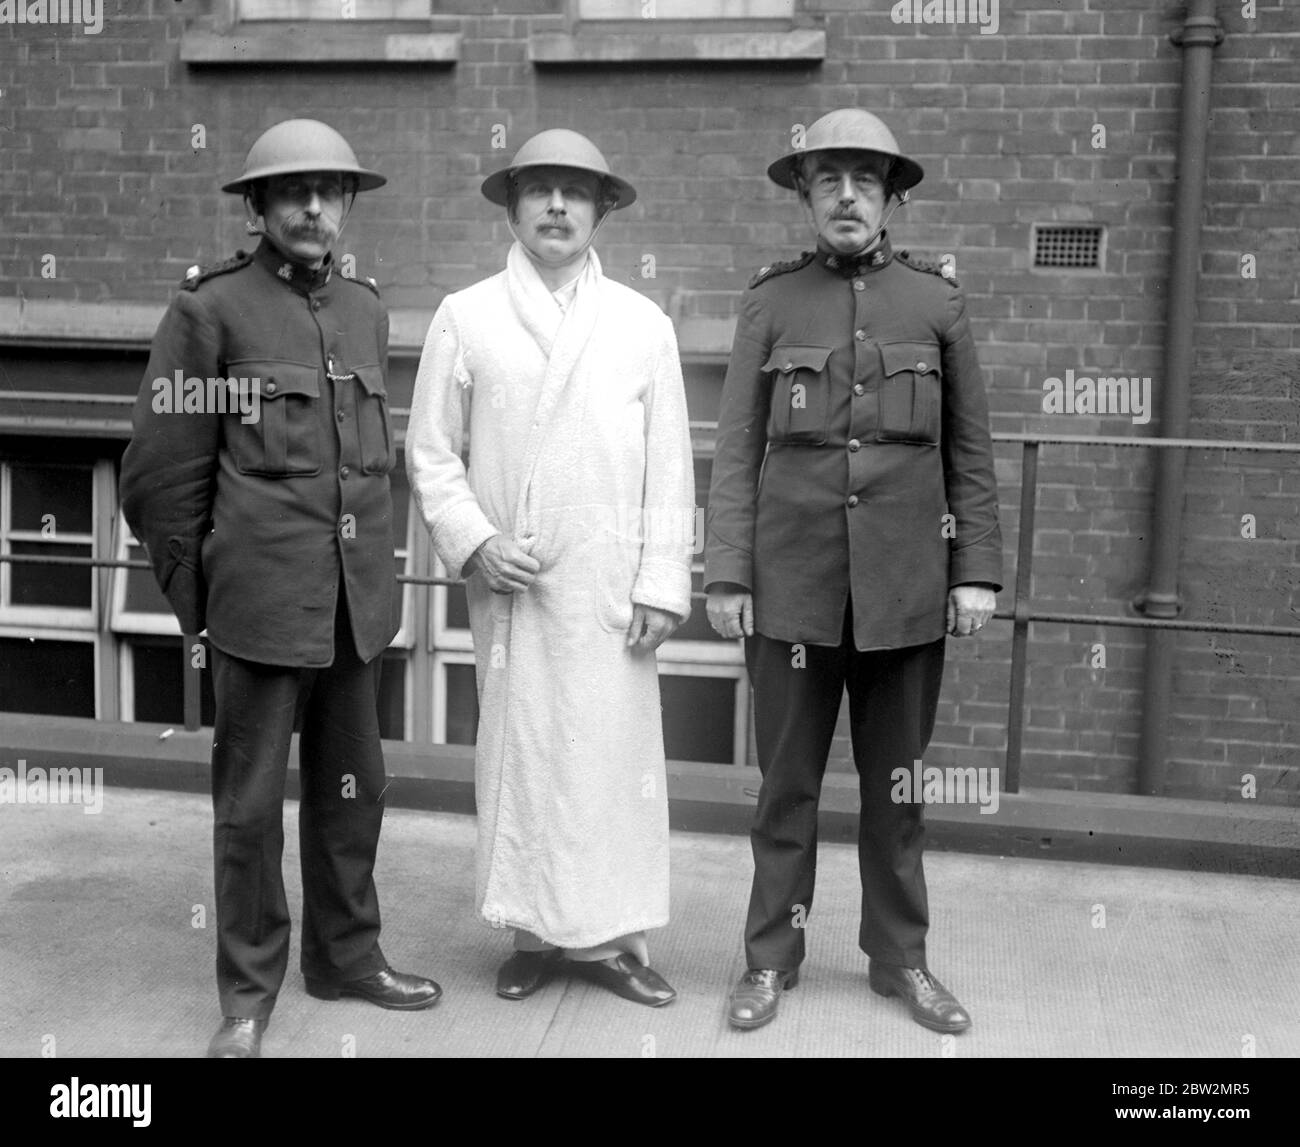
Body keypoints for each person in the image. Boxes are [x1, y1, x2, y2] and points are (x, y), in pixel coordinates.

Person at [120, 119, 441, 1059]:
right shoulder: (210, 314)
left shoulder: (368, 312)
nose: (312, 209)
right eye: (292, 193)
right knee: (250, 809)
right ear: (257, 207)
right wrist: (202, 603)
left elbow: (370, 467)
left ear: (346, 207)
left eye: (329, 192)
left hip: (352, 605)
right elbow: (161, 477)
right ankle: (249, 993)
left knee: (356, 789)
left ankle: (347, 955)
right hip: (257, 607)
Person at [705, 108, 1003, 1033]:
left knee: (899, 793)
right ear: (804, 194)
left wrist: (975, 572)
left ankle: (900, 959)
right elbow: (736, 450)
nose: (846, 196)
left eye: (865, 181)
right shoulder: (770, 302)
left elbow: (971, 451)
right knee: (784, 789)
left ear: (890, 197)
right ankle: (768, 961)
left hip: (906, 592)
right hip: (793, 591)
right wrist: (727, 575)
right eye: (828, 179)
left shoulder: (936, 302)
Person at [406, 129, 694, 1007]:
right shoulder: (467, 315)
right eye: (540, 191)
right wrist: (476, 540)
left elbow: (670, 465)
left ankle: (608, 941)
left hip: (607, 590)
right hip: (517, 587)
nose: (558, 207)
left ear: (603, 209)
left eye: (576, 192)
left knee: (609, 765)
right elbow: (429, 452)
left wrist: (660, 581)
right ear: (513, 204)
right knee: (525, 759)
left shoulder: (644, 325)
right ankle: (531, 932)